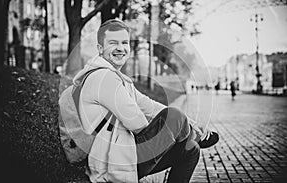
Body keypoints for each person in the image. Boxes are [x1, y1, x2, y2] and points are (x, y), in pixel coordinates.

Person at [73, 19, 219, 183]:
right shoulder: (103, 78)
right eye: (113, 43)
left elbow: (149, 106)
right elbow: (138, 124)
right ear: (100, 48)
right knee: (174, 116)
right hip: (113, 162)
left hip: (125, 157)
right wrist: (175, 129)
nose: (120, 48)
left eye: (124, 42)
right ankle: (195, 135)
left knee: (191, 150)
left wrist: (190, 123)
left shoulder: (117, 79)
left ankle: (193, 136)